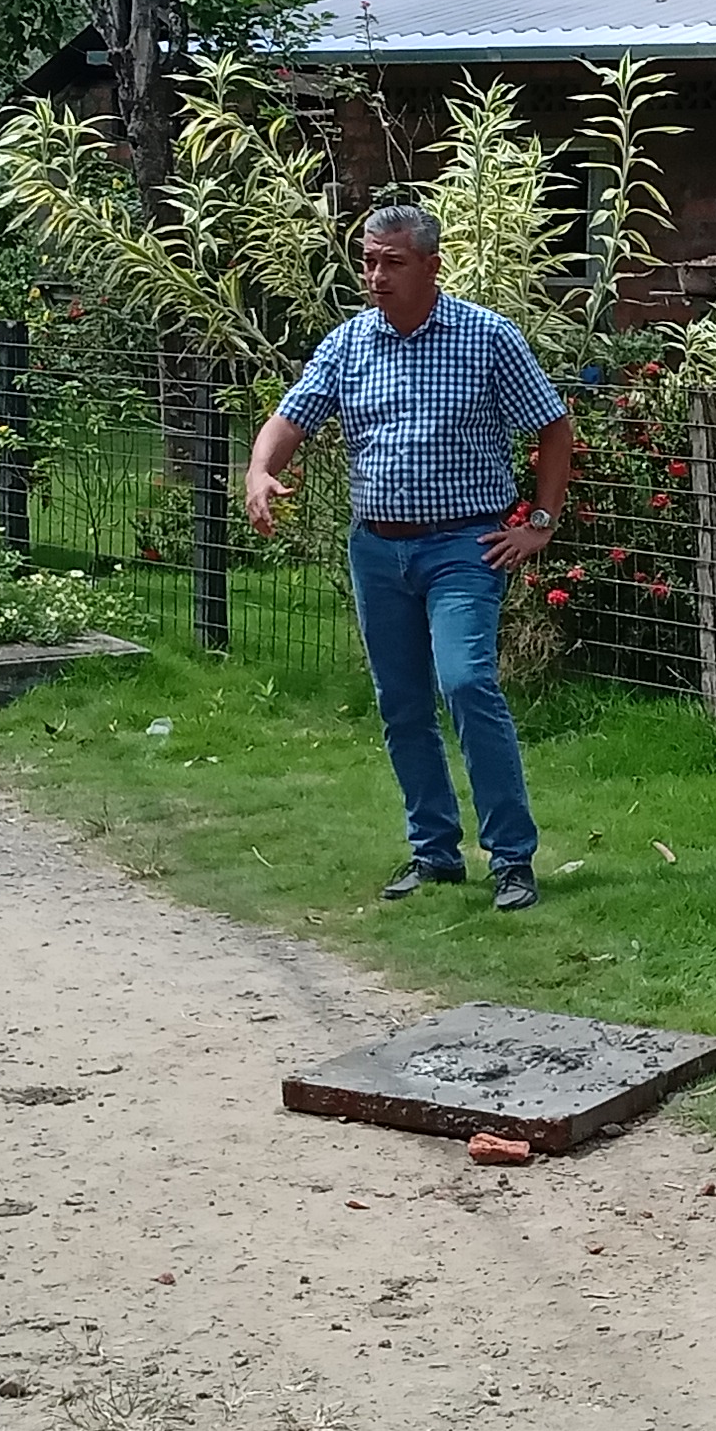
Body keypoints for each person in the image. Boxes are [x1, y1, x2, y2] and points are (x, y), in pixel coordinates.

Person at [244, 205, 575, 912]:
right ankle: (435, 853)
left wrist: (540, 523)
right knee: (401, 703)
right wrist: (260, 471)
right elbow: (290, 417)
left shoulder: (487, 338)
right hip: (377, 548)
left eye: (392, 262)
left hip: (464, 545)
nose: (376, 276)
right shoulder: (348, 344)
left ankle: (512, 858)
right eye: (368, 261)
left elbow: (553, 427)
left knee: (466, 682)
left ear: (431, 266)